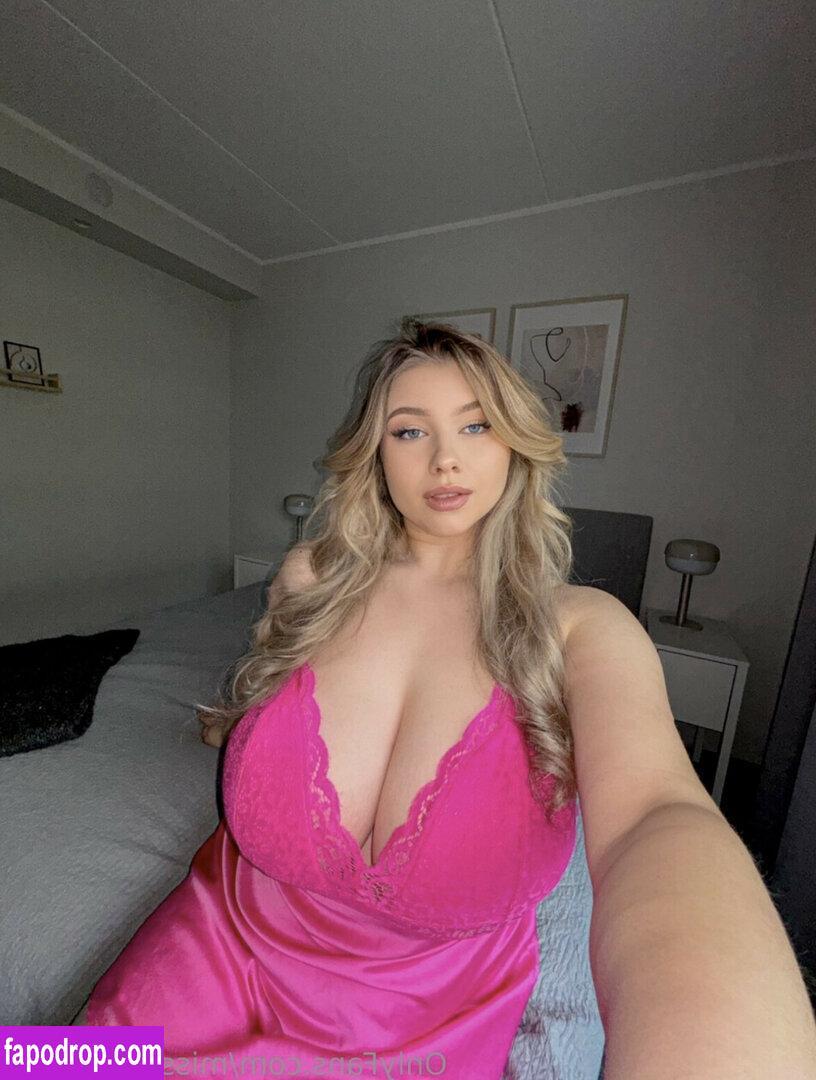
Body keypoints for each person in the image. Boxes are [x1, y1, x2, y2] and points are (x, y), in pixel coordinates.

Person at [77, 322, 816, 1078]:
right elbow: (268, 683)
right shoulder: (310, 579)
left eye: (476, 425)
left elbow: (656, 818)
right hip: (210, 957)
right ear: (375, 453)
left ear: (515, 445)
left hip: (417, 1038)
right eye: (409, 430)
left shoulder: (579, 627)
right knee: (46, 1063)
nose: (445, 459)